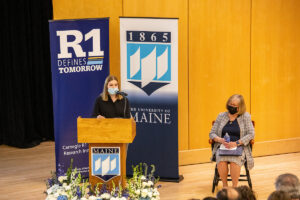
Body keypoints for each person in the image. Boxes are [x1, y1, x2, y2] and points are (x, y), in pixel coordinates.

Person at [209, 94, 255, 187]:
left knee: (235, 160)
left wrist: (236, 143)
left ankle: (234, 188)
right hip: (223, 146)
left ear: (240, 107)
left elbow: (251, 134)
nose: (232, 107)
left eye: (235, 105)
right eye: (231, 104)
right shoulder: (221, 116)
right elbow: (212, 133)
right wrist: (220, 140)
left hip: (239, 146)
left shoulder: (245, 116)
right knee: (221, 160)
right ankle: (225, 187)